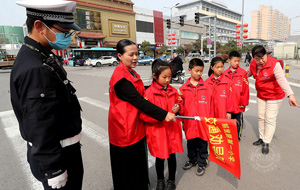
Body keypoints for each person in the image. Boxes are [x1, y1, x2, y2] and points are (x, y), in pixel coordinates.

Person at [10, 1, 83, 189]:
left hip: (63, 150)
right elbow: (39, 122)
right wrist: (54, 169)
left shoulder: (38, 55)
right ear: (39, 26)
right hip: (59, 157)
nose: (68, 36)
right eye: (63, 31)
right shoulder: (35, 68)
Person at [108, 40, 176, 190]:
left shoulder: (131, 72)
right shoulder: (121, 78)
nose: (135, 58)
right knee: (128, 170)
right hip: (124, 130)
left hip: (135, 126)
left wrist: (157, 87)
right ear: (120, 56)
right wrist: (164, 114)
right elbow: (139, 101)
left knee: (139, 165)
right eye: (130, 54)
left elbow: (141, 91)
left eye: (136, 54)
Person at [247, 45, 299, 154]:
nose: (261, 61)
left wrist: (290, 95)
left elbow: (281, 79)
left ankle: (266, 141)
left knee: (269, 118)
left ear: (266, 55)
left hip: (274, 96)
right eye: (257, 59)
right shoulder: (253, 64)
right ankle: (261, 137)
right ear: (253, 58)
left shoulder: (274, 64)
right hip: (261, 95)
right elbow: (246, 74)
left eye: (263, 58)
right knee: (261, 117)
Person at [140, 59, 183, 190]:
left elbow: (180, 104)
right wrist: (161, 117)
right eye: (164, 77)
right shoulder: (148, 94)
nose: (167, 80)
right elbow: (143, 115)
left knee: (171, 157)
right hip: (158, 132)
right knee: (160, 157)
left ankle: (171, 180)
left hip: (172, 131)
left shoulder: (174, 91)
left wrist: (178, 107)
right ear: (154, 76)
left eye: (169, 76)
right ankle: (160, 180)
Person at [178, 58, 212, 176]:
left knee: (203, 143)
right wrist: (183, 120)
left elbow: (211, 104)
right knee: (191, 142)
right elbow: (181, 106)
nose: (199, 73)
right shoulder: (183, 88)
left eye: (201, 71)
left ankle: (202, 162)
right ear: (189, 70)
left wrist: (211, 119)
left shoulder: (207, 87)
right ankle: (192, 160)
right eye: (196, 71)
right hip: (190, 122)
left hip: (203, 122)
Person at [224, 51, 249, 141]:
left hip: (238, 103)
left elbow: (245, 89)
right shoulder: (225, 74)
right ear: (229, 61)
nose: (237, 63)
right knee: (228, 120)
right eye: (235, 61)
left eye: (238, 61)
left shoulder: (243, 73)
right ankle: (228, 136)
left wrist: (243, 102)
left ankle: (237, 136)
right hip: (227, 103)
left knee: (238, 121)